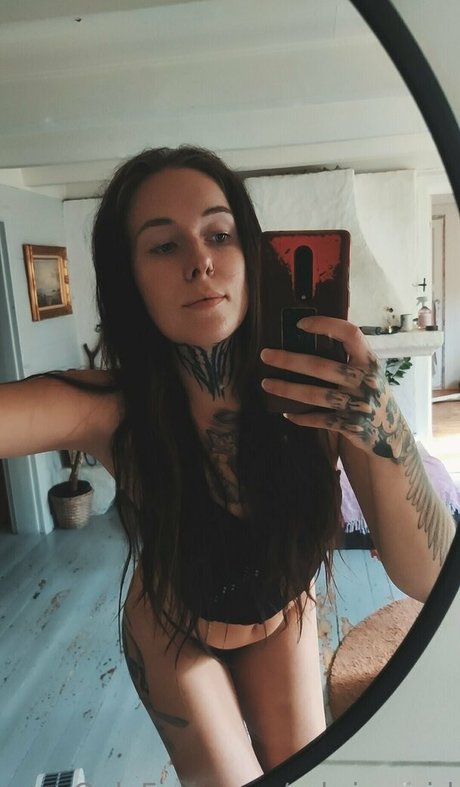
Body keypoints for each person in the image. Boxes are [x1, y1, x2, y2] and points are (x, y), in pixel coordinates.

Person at [0, 146, 455, 787]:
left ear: (252, 256)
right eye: (164, 246)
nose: (201, 262)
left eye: (219, 234)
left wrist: (386, 428)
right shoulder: (109, 408)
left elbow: (430, 577)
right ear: (129, 278)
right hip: (174, 630)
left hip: (283, 613)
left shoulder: (324, 395)